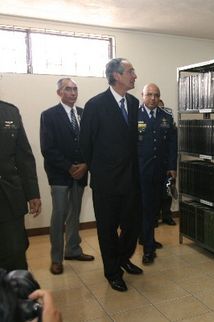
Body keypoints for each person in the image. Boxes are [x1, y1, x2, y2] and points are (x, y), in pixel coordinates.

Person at [79, 58, 142, 292]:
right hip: (106, 182)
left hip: (131, 180)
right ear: (116, 76)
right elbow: (86, 144)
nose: (135, 75)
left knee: (132, 225)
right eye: (130, 71)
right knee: (107, 229)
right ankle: (112, 271)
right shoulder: (95, 105)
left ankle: (124, 258)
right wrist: (100, 170)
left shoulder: (135, 103)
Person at [40, 78, 94, 276]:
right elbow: (48, 148)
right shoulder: (49, 115)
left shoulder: (83, 114)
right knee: (59, 215)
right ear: (59, 93)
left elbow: (90, 142)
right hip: (60, 175)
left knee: (75, 213)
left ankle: (73, 250)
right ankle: (56, 259)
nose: (73, 93)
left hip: (81, 173)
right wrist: (70, 167)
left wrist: (86, 165)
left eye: (75, 89)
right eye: (68, 89)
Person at [138, 83, 177, 265]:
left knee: (153, 208)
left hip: (160, 172)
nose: (153, 98)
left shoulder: (166, 117)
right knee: (145, 209)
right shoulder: (134, 116)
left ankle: (148, 239)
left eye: (156, 95)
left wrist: (171, 167)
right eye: (149, 95)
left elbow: (171, 145)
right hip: (140, 171)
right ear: (142, 95)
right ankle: (148, 249)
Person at [0, 100, 41, 271]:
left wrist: (33, 193)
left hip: (8, 196)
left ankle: (17, 295)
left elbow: (23, 157)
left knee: (16, 250)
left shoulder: (10, 112)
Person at [157, 98, 177, 227]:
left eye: (162, 107)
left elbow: (172, 145)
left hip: (167, 164)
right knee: (154, 194)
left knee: (168, 192)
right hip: (155, 165)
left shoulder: (169, 122)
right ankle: (154, 217)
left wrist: (171, 165)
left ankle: (166, 215)